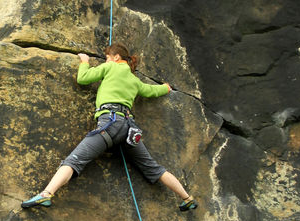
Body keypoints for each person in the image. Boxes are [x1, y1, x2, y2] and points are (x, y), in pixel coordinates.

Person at [21, 43, 197, 211]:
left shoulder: (110, 67)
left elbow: (83, 79)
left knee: (74, 160)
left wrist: (84, 62)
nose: (105, 61)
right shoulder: (134, 80)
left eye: (106, 58)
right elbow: (151, 91)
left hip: (110, 123)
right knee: (153, 167)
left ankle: (47, 193)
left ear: (116, 57)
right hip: (129, 129)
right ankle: (187, 198)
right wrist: (166, 88)